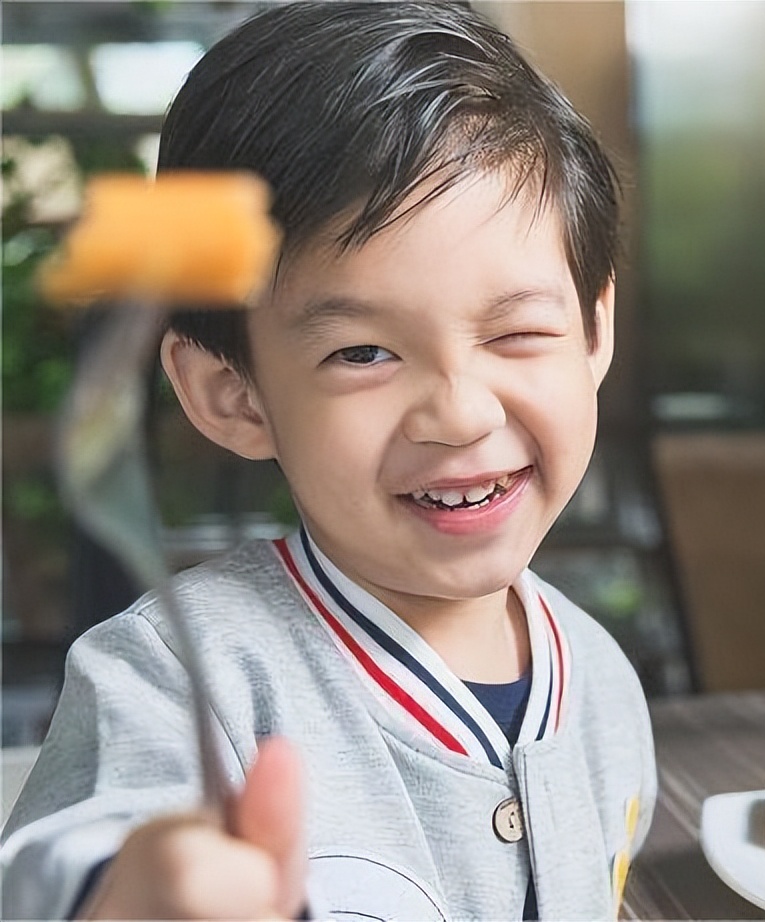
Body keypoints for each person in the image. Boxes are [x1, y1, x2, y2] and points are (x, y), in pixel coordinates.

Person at [0, 3, 657, 919]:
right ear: (235, 395)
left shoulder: (602, 681)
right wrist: (123, 893)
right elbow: (64, 868)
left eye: (516, 331)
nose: (460, 413)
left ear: (593, 330)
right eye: (362, 353)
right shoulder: (171, 678)